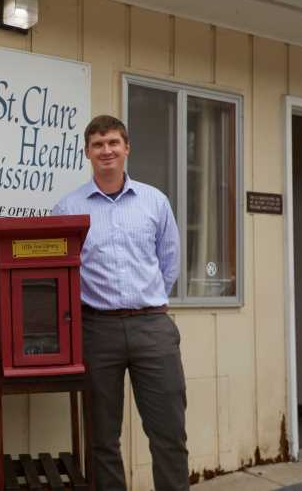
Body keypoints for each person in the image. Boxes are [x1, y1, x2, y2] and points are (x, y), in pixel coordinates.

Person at [52, 115, 189, 491]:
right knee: (102, 439)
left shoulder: (154, 201)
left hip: (153, 329)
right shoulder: (68, 208)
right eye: (97, 145)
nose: (106, 150)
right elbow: (64, 271)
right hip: (97, 330)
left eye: (113, 142)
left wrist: (146, 301)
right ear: (87, 153)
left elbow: (170, 261)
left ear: (126, 148)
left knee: (169, 434)